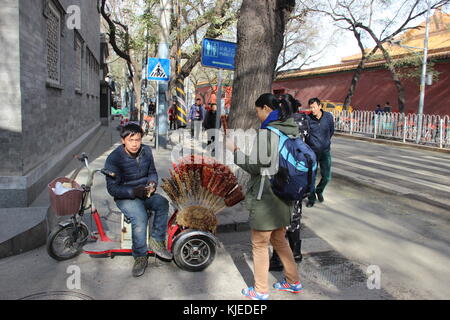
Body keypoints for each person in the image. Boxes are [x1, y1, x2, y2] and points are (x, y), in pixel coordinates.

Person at [226, 93, 303, 300]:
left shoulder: (268, 133)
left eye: (258, 111)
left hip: (266, 196)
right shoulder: (291, 131)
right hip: (284, 194)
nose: (258, 115)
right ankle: (293, 281)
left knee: (260, 244)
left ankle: (260, 290)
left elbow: (255, 166)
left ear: (266, 109)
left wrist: (235, 150)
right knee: (279, 240)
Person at [104, 123, 171, 278]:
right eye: (131, 140)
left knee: (162, 203)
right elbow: (112, 189)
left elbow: (152, 172)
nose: (135, 144)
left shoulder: (146, 151)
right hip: (125, 197)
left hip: (144, 193)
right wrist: (133, 191)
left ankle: (157, 242)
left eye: (138, 140)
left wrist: (152, 184)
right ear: (123, 140)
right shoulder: (114, 158)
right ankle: (140, 256)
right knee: (140, 217)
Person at [269, 94, 308, 272]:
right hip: (301, 177)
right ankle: (297, 252)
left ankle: (278, 259)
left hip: (285, 177)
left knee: (282, 218)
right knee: (295, 215)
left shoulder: (286, 126)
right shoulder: (304, 123)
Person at [305, 97, 334, 208]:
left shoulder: (328, 117)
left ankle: (319, 190)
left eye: (314, 107)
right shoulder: (308, 119)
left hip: (325, 151)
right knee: (311, 177)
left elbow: (331, 131)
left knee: (327, 176)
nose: (312, 109)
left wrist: (325, 142)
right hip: (312, 152)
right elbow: (306, 134)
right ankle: (311, 198)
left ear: (320, 106)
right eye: (310, 107)